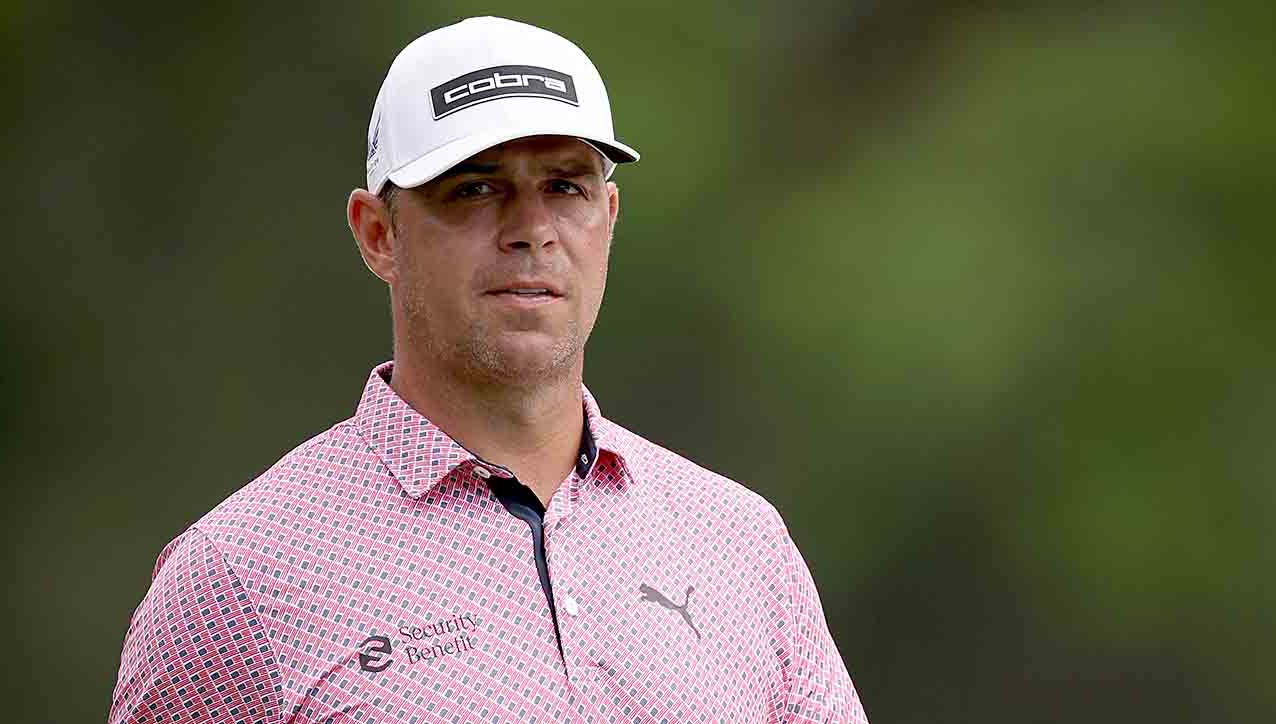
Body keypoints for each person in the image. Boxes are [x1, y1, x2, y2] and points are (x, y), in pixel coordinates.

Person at [109, 16, 868, 724]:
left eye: (564, 186)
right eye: (475, 188)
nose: (531, 229)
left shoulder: (739, 541)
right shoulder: (240, 579)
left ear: (609, 217)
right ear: (378, 233)